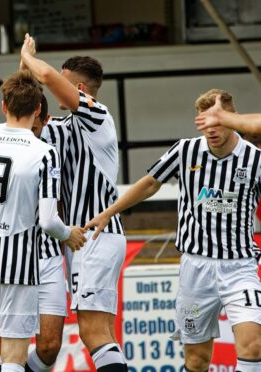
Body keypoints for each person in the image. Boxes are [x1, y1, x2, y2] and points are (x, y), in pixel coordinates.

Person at [86, 89, 261, 372]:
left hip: (240, 268)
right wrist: (109, 212)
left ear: (233, 120)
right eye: (205, 124)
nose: (211, 131)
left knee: (253, 346)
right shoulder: (186, 150)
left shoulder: (254, 159)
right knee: (196, 360)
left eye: (218, 123)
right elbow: (150, 183)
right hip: (195, 270)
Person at [0, 70, 86, 372]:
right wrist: (69, 234)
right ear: (38, 109)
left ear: (3, 106)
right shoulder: (44, 153)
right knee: (13, 352)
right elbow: (49, 221)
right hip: (19, 263)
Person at [20, 34, 128, 371]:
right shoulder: (62, 127)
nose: (53, 89)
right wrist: (24, 66)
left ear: (79, 88)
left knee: (94, 332)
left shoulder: (98, 117)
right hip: (75, 240)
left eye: (63, 84)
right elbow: (26, 113)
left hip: (96, 236)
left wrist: (27, 54)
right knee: (91, 332)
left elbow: (48, 77)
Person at [0, 95, 70, 372]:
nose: (29, 135)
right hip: (7, 255)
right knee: (5, 345)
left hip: (47, 256)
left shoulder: (51, 149)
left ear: (45, 120)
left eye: (36, 129)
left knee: (49, 346)